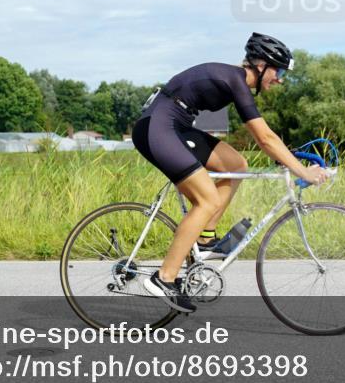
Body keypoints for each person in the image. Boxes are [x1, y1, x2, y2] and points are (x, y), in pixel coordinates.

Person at [133, 32, 329, 313]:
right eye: (279, 70)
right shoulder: (236, 80)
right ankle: (164, 278)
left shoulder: (236, 82)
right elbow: (264, 138)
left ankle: (206, 237)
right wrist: (302, 172)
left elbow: (267, 140)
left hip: (175, 126)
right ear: (261, 66)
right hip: (158, 127)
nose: (281, 78)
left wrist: (287, 156)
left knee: (236, 164)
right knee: (207, 199)